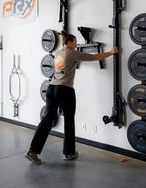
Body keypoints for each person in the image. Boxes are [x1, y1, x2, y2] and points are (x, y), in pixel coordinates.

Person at [26, 31, 118, 164]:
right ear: (68, 42)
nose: (76, 45)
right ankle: (69, 153)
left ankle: (32, 151)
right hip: (65, 90)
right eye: (74, 43)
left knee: (47, 120)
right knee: (69, 121)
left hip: (51, 88)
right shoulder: (72, 53)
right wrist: (110, 52)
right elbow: (92, 58)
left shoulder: (58, 53)